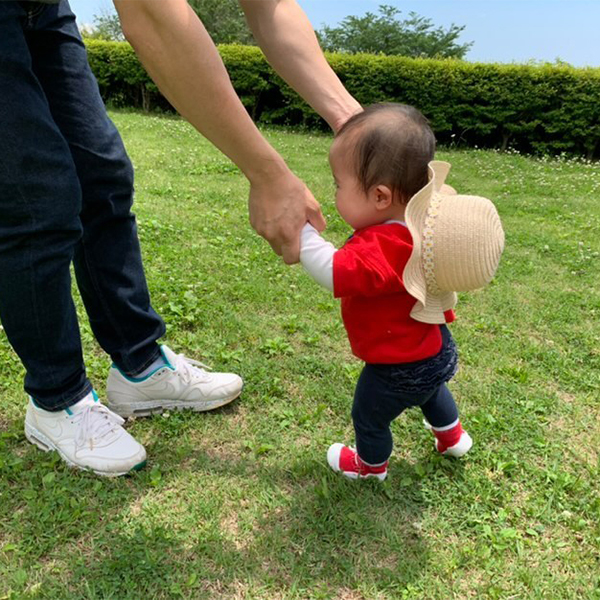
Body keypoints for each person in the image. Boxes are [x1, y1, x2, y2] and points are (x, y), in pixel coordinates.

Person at [0, 0, 361, 476]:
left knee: (102, 177)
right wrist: (267, 174)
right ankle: (56, 399)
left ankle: (140, 367)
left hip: (43, 9)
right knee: (35, 194)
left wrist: (365, 135)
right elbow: (153, 15)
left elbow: (269, 7)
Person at [299, 103, 505, 481]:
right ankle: (453, 438)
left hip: (395, 367)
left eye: (338, 184)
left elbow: (335, 273)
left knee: (368, 415)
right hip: (435, 347)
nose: (335, 192)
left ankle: (369, 466)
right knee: (432, 392)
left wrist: (302, 234)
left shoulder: (386, 243)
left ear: (380, 196)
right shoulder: (421, 226)